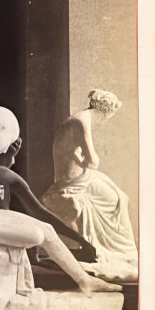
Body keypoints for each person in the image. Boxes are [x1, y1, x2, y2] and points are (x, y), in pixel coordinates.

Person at [0, 104, 121, 294]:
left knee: (48, 229)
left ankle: (85, 281)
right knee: (39, 235)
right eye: (7, 140)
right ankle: (84, 281)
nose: (5, 147)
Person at [42, 90, 137, 280]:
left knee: (120, 195)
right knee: (116, 198)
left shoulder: (77, 120)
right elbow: (93, 161)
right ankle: (120, 252)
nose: (105, 121)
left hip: (83, 176)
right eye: (108, 116)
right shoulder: (81, 121)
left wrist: (78, 155)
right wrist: (84, 156)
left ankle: (124, 252)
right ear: (104, 110)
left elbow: (81, 158)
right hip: (74, 181)